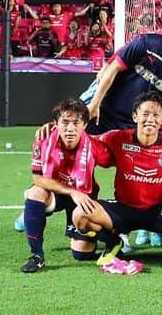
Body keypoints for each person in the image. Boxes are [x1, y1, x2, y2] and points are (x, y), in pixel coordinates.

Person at [73, 91, 162, 265]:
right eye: (145, 114)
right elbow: (84, 140)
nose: (151, 119)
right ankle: (113, 242)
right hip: (122, 209)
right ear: (135, 116)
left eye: (156, 115)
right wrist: (53, 131)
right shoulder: (116, 137)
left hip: (159, 210)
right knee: (80, 215)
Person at [19, 99, 105, 273]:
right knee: (35, 193)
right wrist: (72, 192)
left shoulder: (96, 146)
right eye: (65, 122)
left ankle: (102, 237)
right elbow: (38, 179)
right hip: (57, 192)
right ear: (55, 124)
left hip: (83, 196)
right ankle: (36, 255)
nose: (70, 128)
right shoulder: (43, 140)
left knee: (82, 255)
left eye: (76, 123)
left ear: (85, 125)